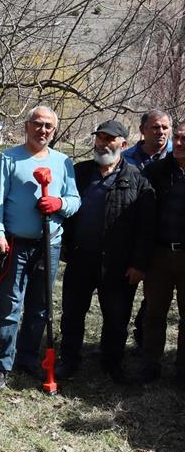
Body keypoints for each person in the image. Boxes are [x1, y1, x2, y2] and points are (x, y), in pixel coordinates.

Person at [0, 105, 80, 390]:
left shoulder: (63, 162)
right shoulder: (9, 158)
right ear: (27, 126)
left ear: (54, 130)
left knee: (40, 306)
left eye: (48, 126)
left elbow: (75, 200)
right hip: (14, 243)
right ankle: (1, 363)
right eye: (37, 124)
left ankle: (27, 357)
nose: (43, 130)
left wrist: (59, 203)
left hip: (49, 244)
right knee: (9, 304)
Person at [56, 120, 153, 384]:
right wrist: (64, 243)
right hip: (80, 257)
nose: (103, 143)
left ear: (124, 144)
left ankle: (112, 363)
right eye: (100, 137)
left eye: (110, 139)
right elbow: (65, 211)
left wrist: (139, 263)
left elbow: (145, 228)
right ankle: (69, 359)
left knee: (116, 317)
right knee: (72, 313)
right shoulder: (80, 172)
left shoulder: (137, 179)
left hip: (118, 263)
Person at [138, 122, 185, 386]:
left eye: (183, 139)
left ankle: (182, 369)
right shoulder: (156, 171)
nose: (177, 143)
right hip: (159, 255)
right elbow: (144, 215)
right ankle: (150, 364)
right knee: (154, 313)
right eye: (176, 137)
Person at [122, 109, 173, 350]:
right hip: (129, 233)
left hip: (163, 236)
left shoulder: (177, 155)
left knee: (154, 296)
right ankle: (115, 338)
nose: (160, 132)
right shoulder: (126, 158)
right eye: (155, 127)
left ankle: (143, 337)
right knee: (123, 291)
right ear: (142, 130)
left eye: (164, 127)